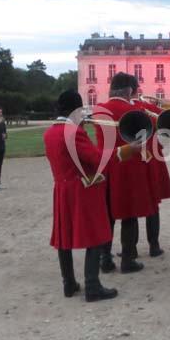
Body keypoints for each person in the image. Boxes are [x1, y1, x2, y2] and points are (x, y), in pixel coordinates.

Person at [43, 90, 117, 302]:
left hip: (62, 188)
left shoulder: (50, 132)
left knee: (63, 237)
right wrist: (120, 151)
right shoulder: (73, 132)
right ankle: (92, 286)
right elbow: (95, 160)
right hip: (81, 189)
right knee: (96, 235)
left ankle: (69, 283)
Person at [94, 73, 160, 273]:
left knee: (107, 216)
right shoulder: (136, 110)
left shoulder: (99, 110)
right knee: (129, 216)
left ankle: (105, 258)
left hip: (105, 166)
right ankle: (128, 259)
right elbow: (154, 131)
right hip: (129, 167)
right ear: (130, 90)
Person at [132, 95, 170, 258]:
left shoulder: (118, 109)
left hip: (130, 160)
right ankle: (154, 246)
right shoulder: (145, 107)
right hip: (151, 158)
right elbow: (169, 120)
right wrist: (166, 104)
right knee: (153, 203)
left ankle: (130, 248)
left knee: (132, 206)